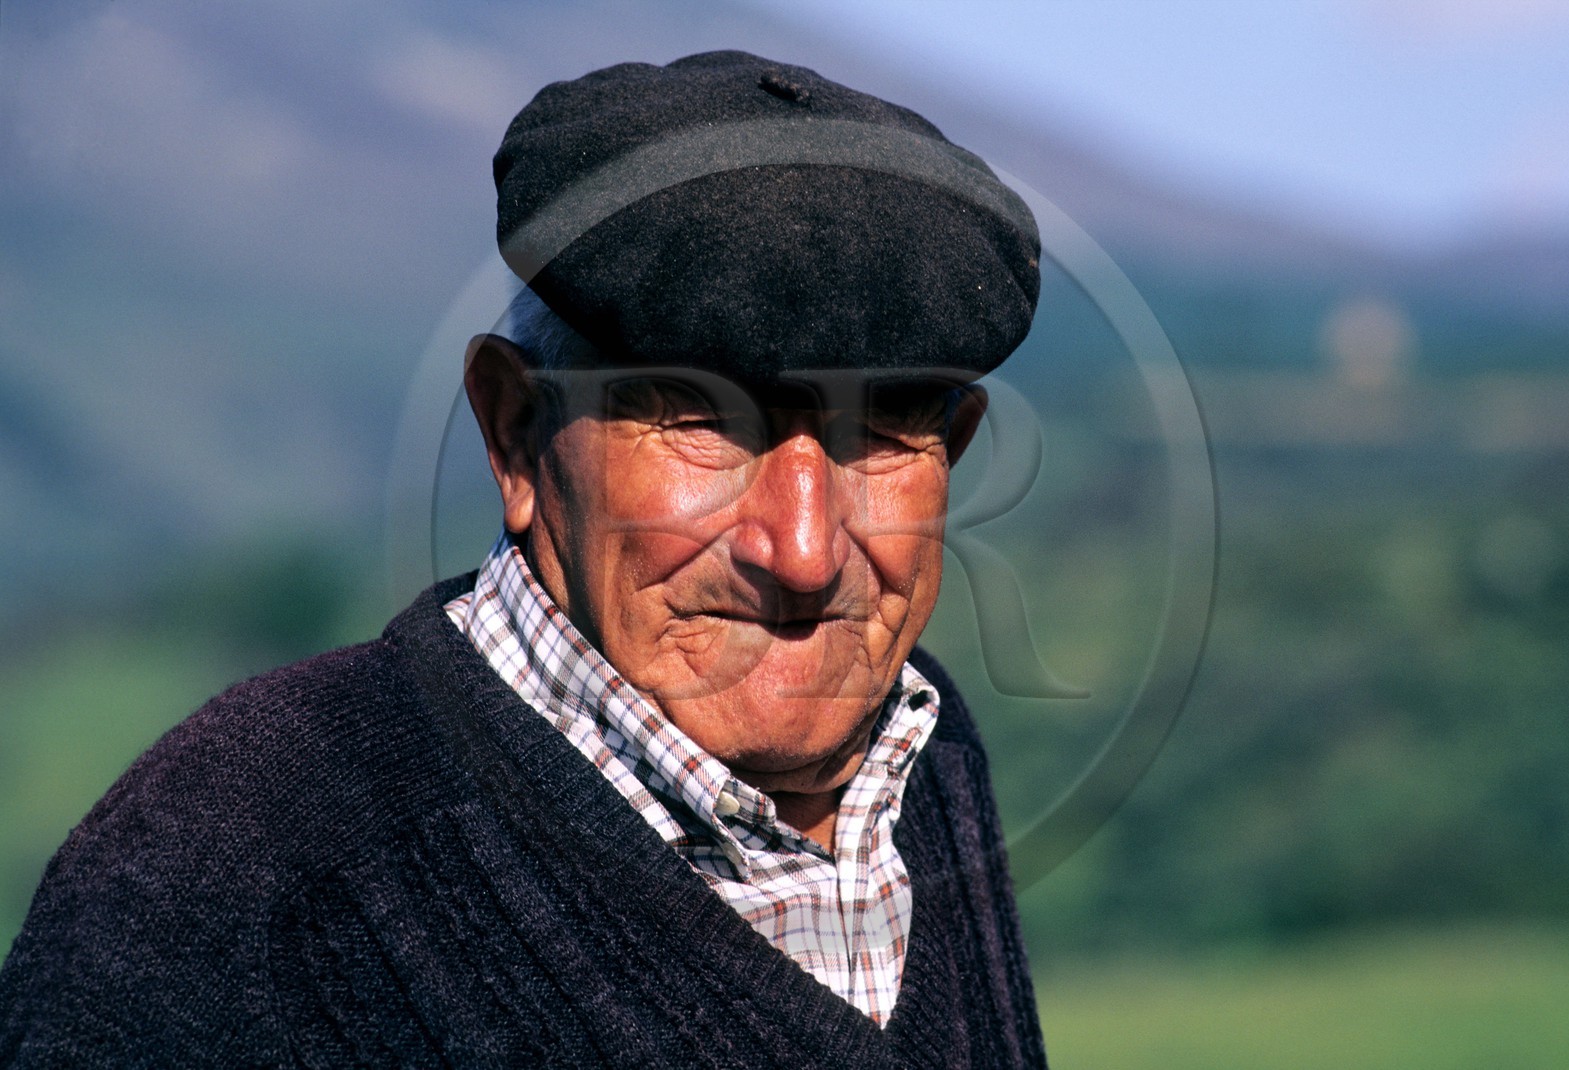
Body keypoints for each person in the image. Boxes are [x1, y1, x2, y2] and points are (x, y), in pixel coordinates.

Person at [0, 51, 1047, 1067]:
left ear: (953, 450)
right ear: (514, 430)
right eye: (702, 423)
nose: (806, 553)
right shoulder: (230, 861)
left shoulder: (925, 750)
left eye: (883, 433)